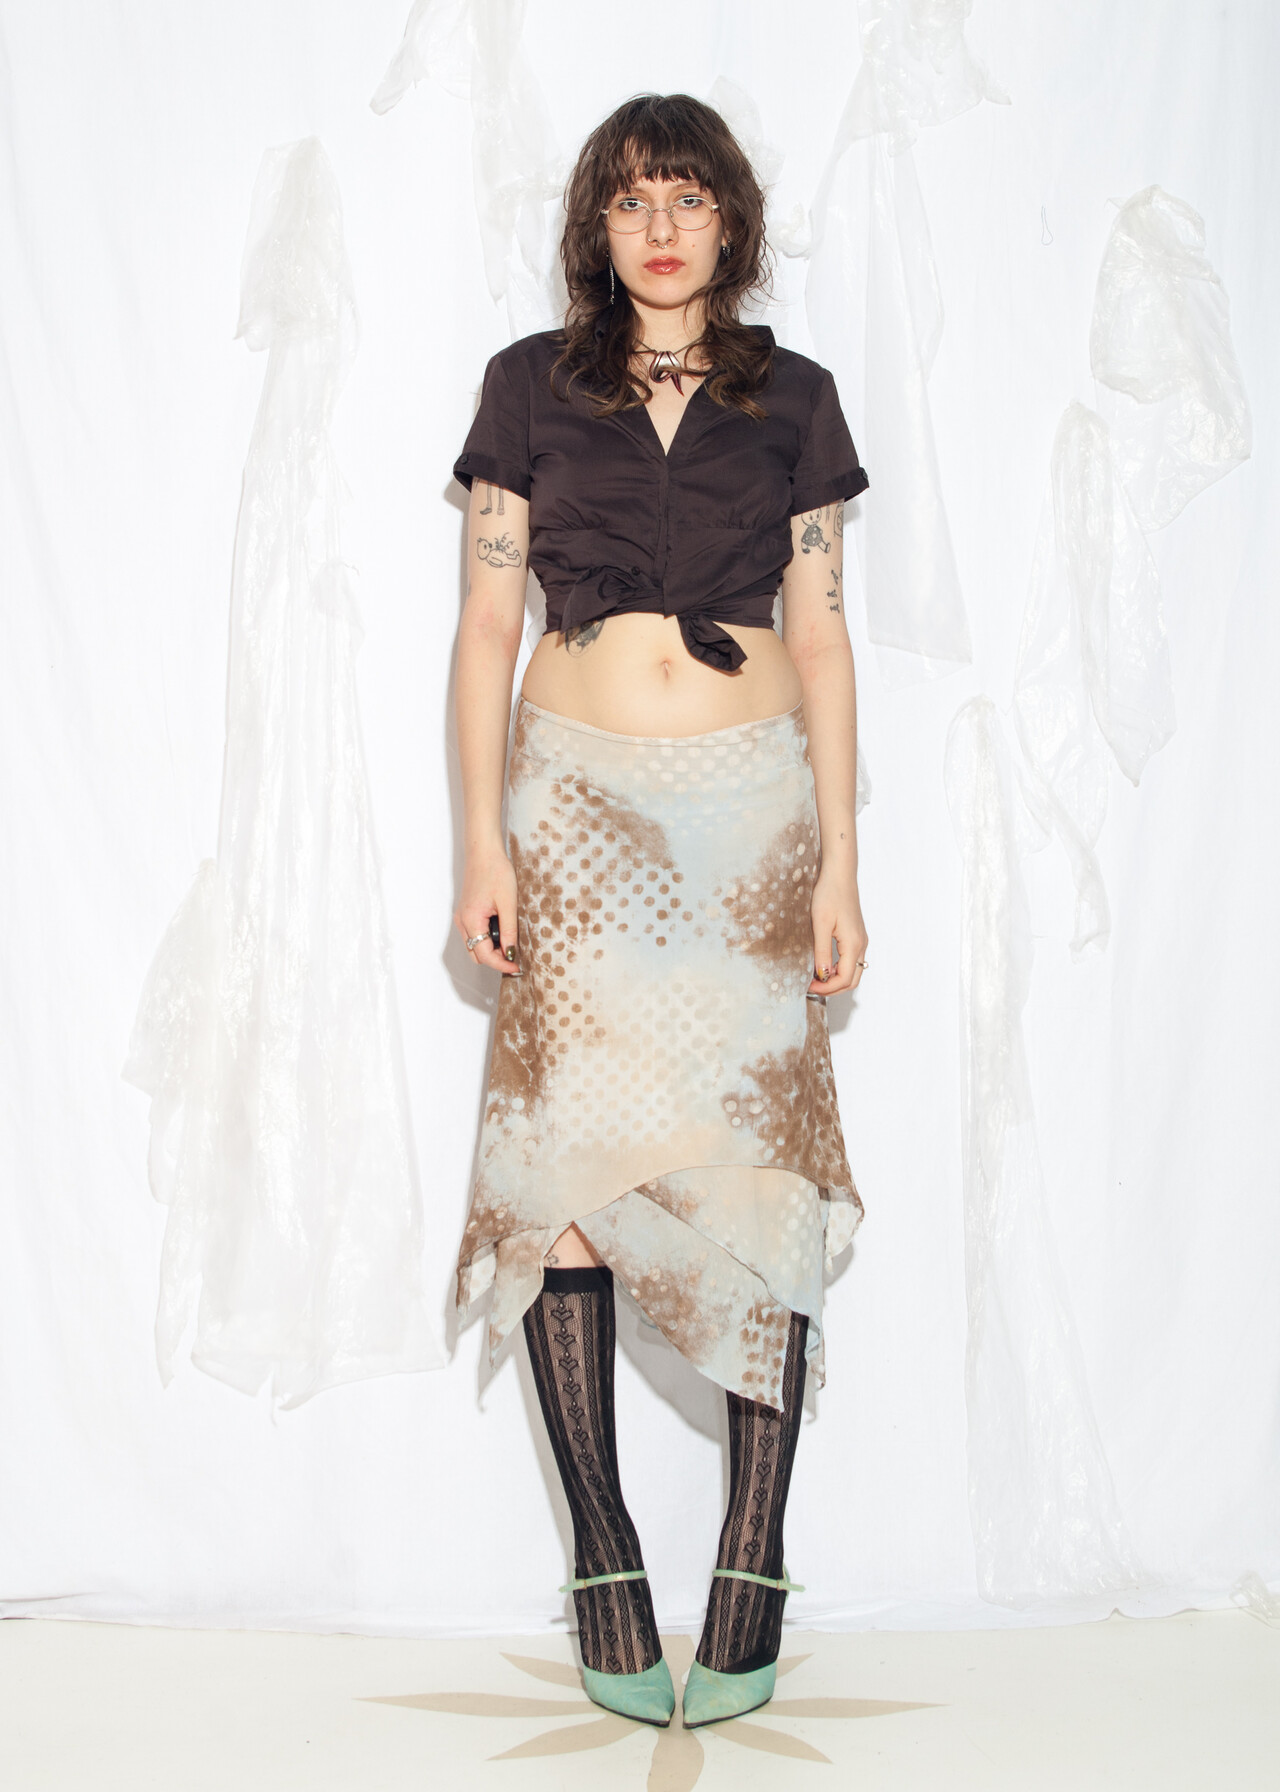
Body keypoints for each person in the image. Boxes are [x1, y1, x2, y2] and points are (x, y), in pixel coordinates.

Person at [450, 92, 869, 1730]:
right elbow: (488, 629)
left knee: (760, 1179)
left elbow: (822, 636)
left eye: (688, 196)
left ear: (729, 220)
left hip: (752, 825)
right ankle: (606, 1556)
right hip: (574, 822)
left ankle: (754, 1554)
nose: (663, 227)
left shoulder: (798, 399)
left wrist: (841, 859)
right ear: (599, 228)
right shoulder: (527, 387)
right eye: (632, 201)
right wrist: (481, 845)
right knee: (566, 1167)